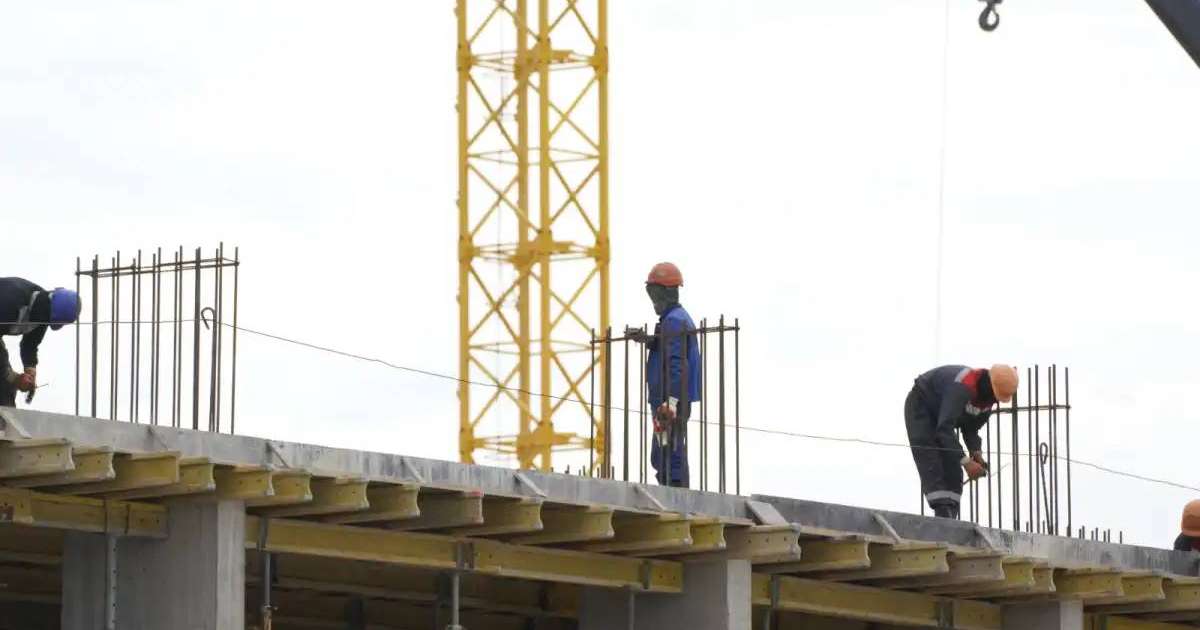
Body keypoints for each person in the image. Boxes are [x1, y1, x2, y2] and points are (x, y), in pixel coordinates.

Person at [905, 364, 1019, 518]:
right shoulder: (962, 387)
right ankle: (943, 512)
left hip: (941, 415)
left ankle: (949, 514)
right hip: (922, 405)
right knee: (933, 461)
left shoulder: (987, 400)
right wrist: (966, 462)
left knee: (953, 469)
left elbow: (971, 429)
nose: (995, 401)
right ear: (990, 387)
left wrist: (976, 452)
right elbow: (944, 429)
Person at [642, 262, 701, 488]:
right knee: (665, 448)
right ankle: (673, 489)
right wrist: (650, 341)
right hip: (669, 401)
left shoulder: (674, 321)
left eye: (655, 293)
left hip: (669, 402)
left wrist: (672, 403)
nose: (653, 300)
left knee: (668, 452)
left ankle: (675, 494)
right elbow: (670, 349)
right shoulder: (676, 318)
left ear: (665, 293)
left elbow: (678, 365)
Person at [0, 278, 81, 407]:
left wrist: (30, 370)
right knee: (4, 383)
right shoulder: (11, 301)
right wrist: (12, 377)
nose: (44, 324)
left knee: (5, 390)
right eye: (46, 318)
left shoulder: (42, 311)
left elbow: (30, 344)